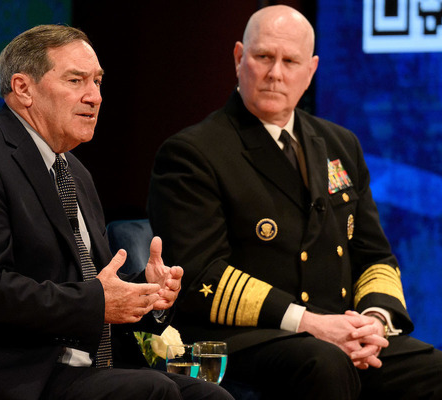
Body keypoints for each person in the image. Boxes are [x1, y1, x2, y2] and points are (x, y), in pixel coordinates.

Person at [0, 24, 234, 400]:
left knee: (212, 396)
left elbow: (87, 278)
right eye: (76, 80)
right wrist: (100, 302)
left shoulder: (73, 171)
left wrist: (144, 292)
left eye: (98, 82)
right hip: (13, 369)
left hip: (85, 365)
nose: (95, 96)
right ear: (23, 88)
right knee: (153, 390)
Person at [148, 5, 442, 399]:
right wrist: (312, 324)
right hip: (243, 340)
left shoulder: (341, 144)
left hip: (339, 333)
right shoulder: (192, 152)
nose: (275, 73)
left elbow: (374, 255)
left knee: (432, 369)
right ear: (239, 58)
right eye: (263, 57)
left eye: (290, 61)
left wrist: (372, 323)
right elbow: (202, 274)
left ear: (312, 69)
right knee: (323, 363)